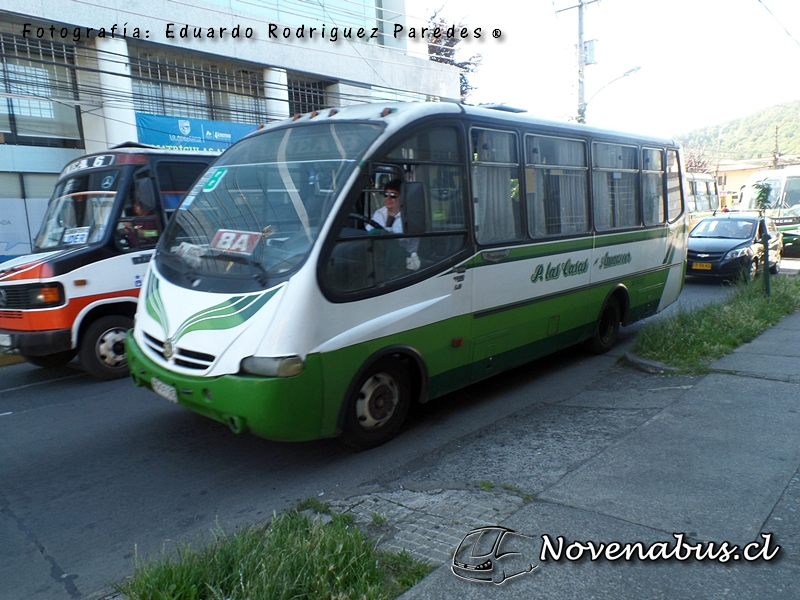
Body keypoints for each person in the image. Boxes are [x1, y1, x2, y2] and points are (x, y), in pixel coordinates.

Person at [366, 179, 420, 270]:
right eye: (386, 194)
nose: (388, 198)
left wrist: (387, 235)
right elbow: (368, 233)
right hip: (377, 258)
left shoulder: (410, 217)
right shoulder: (379, 213)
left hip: (403, 260)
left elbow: (406, 241)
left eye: (393, 195)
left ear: (402, 197)